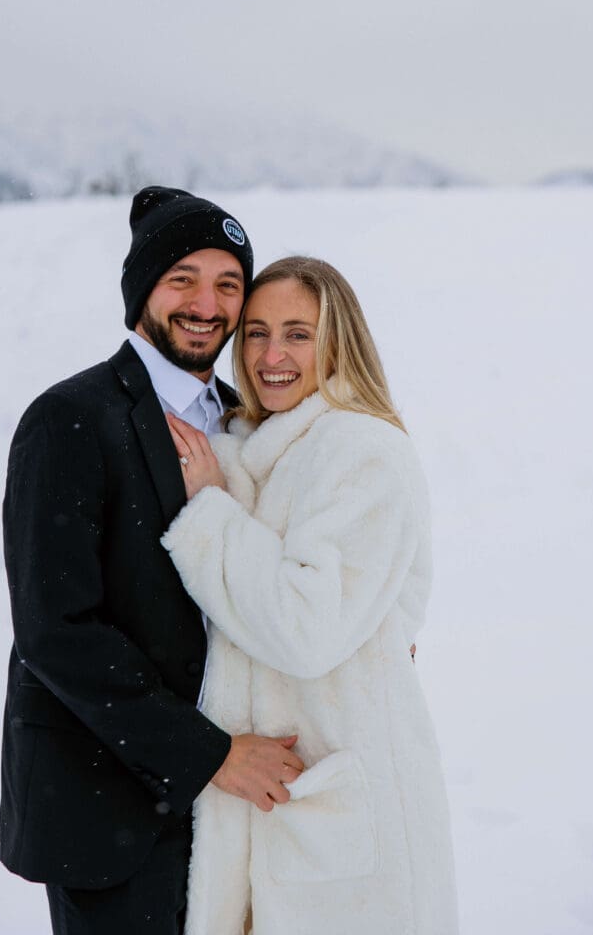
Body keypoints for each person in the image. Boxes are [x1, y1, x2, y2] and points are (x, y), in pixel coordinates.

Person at [0, 188, 304, 935]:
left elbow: (272, 574)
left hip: (231, 812)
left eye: (227, 284)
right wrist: (208, 756)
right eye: (182, 280)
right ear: (142, 291)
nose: (207, 303)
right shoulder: (70, 418)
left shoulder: (246, 421)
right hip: (109, 808)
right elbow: (58, 631)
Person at [164, 256, 459, 935]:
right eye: (258, 333)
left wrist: (210, 514)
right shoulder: (245, 447)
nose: (272, 355)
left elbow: (305, 630)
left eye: (298, 333)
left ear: (338, 339)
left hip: (341, 801)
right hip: (257, 798)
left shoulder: (362, 453)